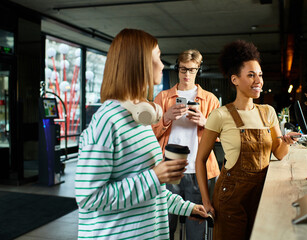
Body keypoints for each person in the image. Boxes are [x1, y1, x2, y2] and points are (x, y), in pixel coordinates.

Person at [75, 29, 208, 240]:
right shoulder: (107, 122)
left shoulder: (140, 118)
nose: (163, 65)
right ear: (141, 63)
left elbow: (151, 190)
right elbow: (89, 198)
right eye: (158, 57)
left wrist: (186, 207)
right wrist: (155, 176)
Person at [195, 40, 300, 240]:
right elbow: (200, 159)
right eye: (251, 75)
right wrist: (206, 201)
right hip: (231, 196)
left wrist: (286, 142)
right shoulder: (220, 115)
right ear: (235, 79)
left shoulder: (267, 112)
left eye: (259, 75)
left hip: (262, 194)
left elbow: (278, 153)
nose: (258, 80)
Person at [152, 49, 220, 240]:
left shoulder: (210, 100)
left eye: (191, 70)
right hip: (169, 167)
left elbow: (222, 136)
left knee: (196, 224)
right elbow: (150, 134)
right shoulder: (163, 98)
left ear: (198, 70)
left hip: (198, 170)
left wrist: (206, 123)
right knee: (165, 223)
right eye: (183, 69)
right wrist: (165, 118)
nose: (187, 74)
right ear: (177, 69)